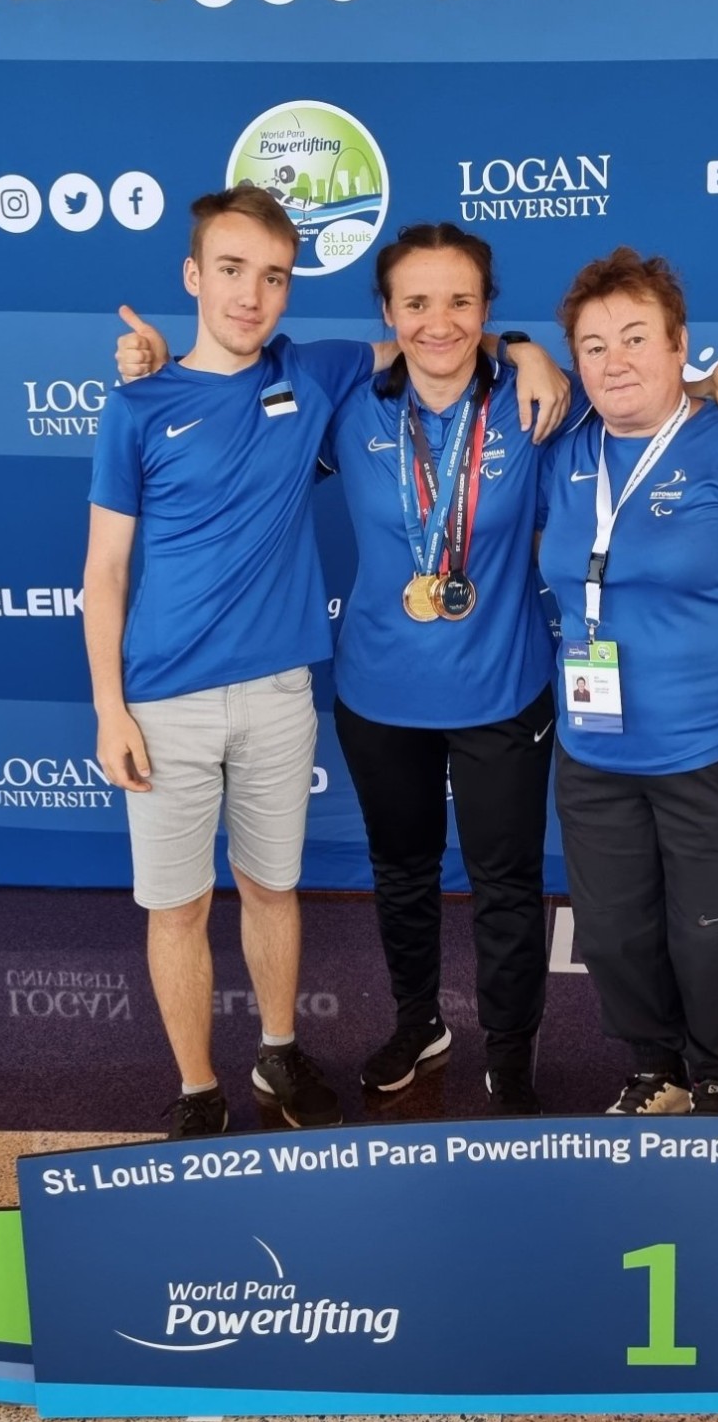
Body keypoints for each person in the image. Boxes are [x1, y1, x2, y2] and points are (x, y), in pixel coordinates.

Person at [114, 223, 718, 1118]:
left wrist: (710, 387)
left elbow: (637, 401)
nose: (439, 322)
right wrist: (156, 368)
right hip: (380, 694)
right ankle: (418, 1024)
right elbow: (230, 399)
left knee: (506, 886)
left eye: (461, 301)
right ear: (387, 315)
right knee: (403, 874)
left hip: (504, 689)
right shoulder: (343, 399)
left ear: (487, 310)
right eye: (416, 303)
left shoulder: (538, 400)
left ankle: (510, 1054)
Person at [89, 191, 566, 1140]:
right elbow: (103, 570)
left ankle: (315, 1051)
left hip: (298, 690)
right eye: (232, 271)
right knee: (194, 904)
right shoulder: (155, 403)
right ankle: (205, 1089)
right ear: (193, 275)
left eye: (273, 277)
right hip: (189, 696)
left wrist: (527, 348)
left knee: (284, 888)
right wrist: (109, 706)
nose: (251, 295)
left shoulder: (319, 373)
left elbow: (454, 343)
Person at [536, 247, 718, 1116]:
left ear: (677, 345)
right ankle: (654, 1069)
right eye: (593, 347)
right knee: (614, 935)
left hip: (713, 750)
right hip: (594, 750)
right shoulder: (565, 454)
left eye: (636, 338)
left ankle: (716, 1077)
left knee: (717, 937)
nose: (615, 361)